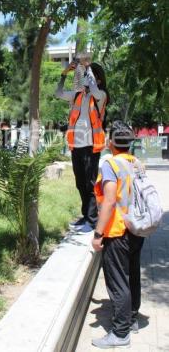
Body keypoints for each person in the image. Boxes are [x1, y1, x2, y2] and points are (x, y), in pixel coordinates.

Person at [91, 120, 144, 349]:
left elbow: (110, 201)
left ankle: (120, 333)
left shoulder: (110, 165)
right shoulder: (137, 163)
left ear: (111, 142)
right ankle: (131, 319)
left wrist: (98, 233)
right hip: (136, 228)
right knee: (132, 273)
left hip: (117, 230)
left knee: (118, 280)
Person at [55, 58, 109, 234]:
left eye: (89, 75)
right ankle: (86, 216)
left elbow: (93, 88)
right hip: (76, 145)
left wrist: (87, 68)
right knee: (80, 183)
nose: (85, 78)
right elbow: (59, 93)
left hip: (91, 145)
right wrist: (64, 74)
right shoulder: (78, 95)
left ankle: (93, 220)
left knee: (90, 183)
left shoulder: (100, 95)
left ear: (97, 79)